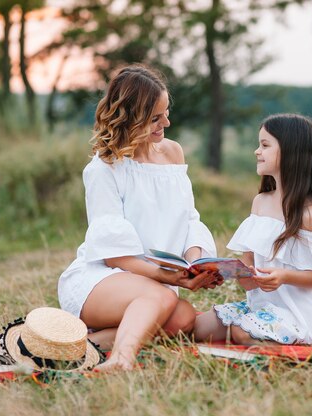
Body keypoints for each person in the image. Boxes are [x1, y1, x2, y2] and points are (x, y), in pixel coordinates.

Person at [58, 64, 220, 371]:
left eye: (166, 112)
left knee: (183, 318)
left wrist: (194, 264)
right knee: (159, 297)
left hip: (156, 286)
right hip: (101, 280)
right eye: (155, 118)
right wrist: (165, 277)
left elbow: (189, 219)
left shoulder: (173, 153)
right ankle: (122, 357)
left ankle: (84, 343)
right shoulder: (104, 169)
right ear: (130, 118)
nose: (166, 123)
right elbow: (114, 256)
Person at [194, 114, 312, 345]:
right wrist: (235, 273)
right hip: (260, 307)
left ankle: (298, 348)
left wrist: (283, 276)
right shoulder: (260, 202)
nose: (256, 151)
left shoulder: (310, 216)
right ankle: (253, 332)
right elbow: (249, 262)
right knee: (200, 328)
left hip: (296, 314)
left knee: (241, 333)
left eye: (264, 145)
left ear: (291, 152)